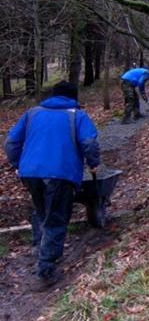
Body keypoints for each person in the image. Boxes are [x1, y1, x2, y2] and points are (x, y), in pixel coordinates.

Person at [4, 81, 101, 290]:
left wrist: (17, 164)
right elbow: (89, 143)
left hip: (30, 172)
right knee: (56, 218)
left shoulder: (32, 113)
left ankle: (39, 250)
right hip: (60, 173)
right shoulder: (76, 115)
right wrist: (93, 163)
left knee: (41, 212)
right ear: (73, 96)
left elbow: (11, 142)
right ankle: (45, 271)